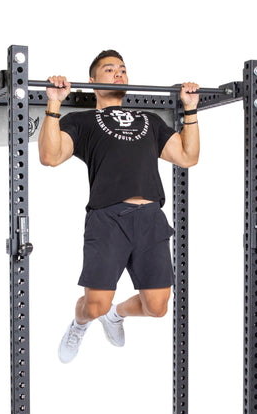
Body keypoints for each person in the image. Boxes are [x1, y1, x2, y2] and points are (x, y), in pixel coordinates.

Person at [38, 50, 200, 363]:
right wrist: (54, 102)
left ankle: (116, 315)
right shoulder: (82, 121)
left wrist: (190, 110)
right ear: (92, 80)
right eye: (110, 69)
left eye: (123, 70)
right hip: (108, 218)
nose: (118, 74)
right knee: (93, 304)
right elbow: (50, 156)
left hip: (150, 217)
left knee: (158, 307)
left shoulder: (149, 121)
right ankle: (81, 322)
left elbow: (187, 157)